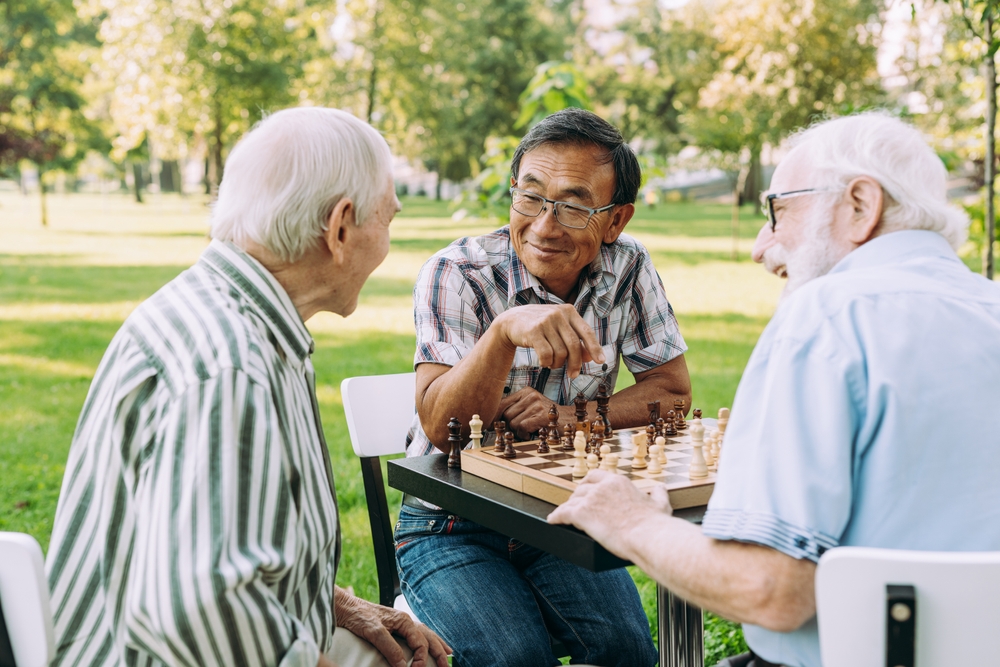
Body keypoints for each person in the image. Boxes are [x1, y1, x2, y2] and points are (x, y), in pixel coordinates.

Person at [549, 111, 1000, 667]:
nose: (761, 246)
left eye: (778, 211)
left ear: (860, 205)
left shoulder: (827, 317)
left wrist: (633, 522)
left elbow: (770, 591)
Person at [44, 107, 451, 667]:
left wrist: (336, 603)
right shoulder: (231, 367)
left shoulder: (242, 316)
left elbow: (222, 544)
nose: (388, 242)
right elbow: (199, 613)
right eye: (388, 218)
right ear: (340, 227)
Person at [397, 108, 690, 666]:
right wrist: (504, 332)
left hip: (564, 514)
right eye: (530, 197)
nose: (545, 225)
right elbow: (443, 431)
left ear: (616, 220)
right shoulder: (456, 272)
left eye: (574, 206)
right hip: (449, 523)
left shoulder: (628, 268)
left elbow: (671, 391)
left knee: (627, 651)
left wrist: (567, 417)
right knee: (516, 657)